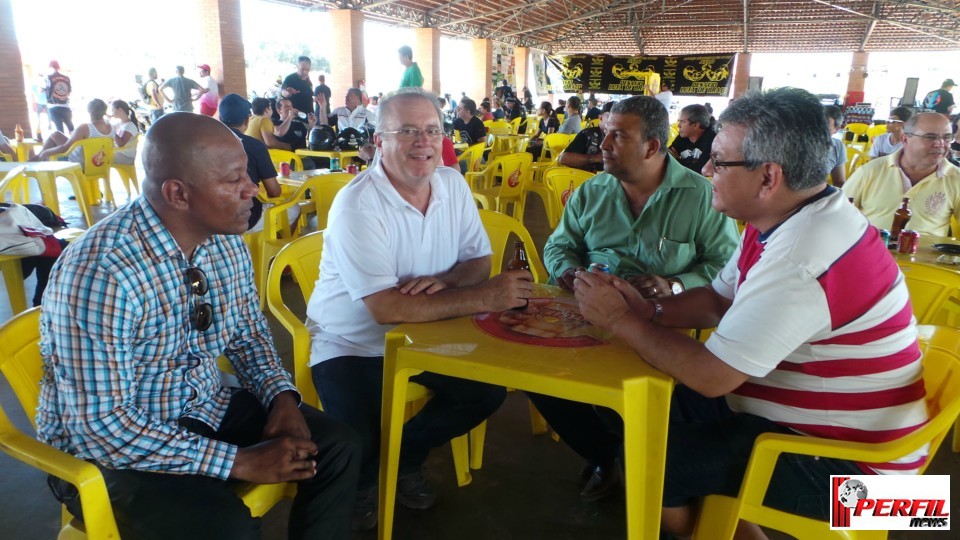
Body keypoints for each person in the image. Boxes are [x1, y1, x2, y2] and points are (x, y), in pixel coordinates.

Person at [571, 87, 927, 538]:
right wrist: (649, 308)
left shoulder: (800, 256)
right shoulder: (792, 216)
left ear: (768, 177)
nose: (704, 169)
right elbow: (718, 300)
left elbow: (712, 376)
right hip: (800, 425)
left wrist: (622, 320)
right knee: (636, 403)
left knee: (657, 459)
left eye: (719, 161)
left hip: (870, 485)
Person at [37, 112, 361, 540]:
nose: (252, 190)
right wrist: (238, 461)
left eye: (247, 173)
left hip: (200, 405)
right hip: (107, 451)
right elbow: (101, 428)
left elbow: (247, 335)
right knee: (225, 528)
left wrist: (282, 399)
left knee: (337, 447)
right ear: (178, 194)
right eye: (233, 181)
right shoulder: (101, 273)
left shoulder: (226, 242)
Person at [307, 88, 531, 530]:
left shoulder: (451, 183)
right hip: (351, 342)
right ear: (379, 140)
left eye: (432, 130)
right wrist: (484, 297)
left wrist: (447, 282)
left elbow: (478, 260)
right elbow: (385, 308)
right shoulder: (358, 204)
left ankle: (401, 459)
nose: (423, 142)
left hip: (427, 334)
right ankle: (368, 479)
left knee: (485, 392)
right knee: (359, 431)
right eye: (407, 131)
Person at [530, 95, 738, 502]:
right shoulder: (592, 193)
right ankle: (607, 455)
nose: (602, 146)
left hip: (663, 327)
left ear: (652, 147)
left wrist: (674, 285)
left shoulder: (700, 196)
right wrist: (570, 273)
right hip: (587, 321)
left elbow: (725, 267)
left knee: (640, 392)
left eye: (617, 136)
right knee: (537, 376)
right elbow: (558, 247)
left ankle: (646, 464)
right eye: (605, 134)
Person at [845, 112, 960, 235]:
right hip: (874, 250)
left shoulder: (955, 178)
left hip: (927, 253)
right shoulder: (870, 171)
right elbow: (838, 215)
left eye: (947, 137)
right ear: (905, 139)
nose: (940, 144)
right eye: (930, 137)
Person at [217, 93, 300, 232]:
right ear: (247, 120)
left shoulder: (205, 144)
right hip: (246, 218)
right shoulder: (254, 146)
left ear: (220, 119)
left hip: (210, 218)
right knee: (294, 209)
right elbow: (274, 191)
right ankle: (277, 252)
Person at [34, 99, 114, 165]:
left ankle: (36, 160)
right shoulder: (111, 127)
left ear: (90, 112)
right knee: (56, 135)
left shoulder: (85, 128)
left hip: (78, 163)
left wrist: (45, 152)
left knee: (51, 144)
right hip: (99, 164)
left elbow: (65, 148)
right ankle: (36, 159)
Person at [557, 101, 614, 173]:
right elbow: (564, 159)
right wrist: (595, 158)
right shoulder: (587, 134)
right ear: (600, 117)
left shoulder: (621, 138)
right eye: (609, 116)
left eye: (618, 118)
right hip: (587, 180)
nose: (614, 121)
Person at [669, 104, 716, 174]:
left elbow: (699, 171)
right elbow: (665, 157)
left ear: (696, 125)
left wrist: (677, 160)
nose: (678, 125)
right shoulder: (683, 136)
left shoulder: (712, 139)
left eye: (683, 122)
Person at [44, 60, 73, 134]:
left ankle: (63, 144)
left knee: (60, 130)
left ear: (50, 67)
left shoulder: (48, 78)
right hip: (65, 106)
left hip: (53, 106)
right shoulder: (66, 78)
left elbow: (41, 90)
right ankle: (76, 143)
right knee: (71, 128)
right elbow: (69, 91)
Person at [109, 100, 141, 165]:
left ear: (120, 110)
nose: (111, 113)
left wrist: (112, 130)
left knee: (101, 159)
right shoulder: (119, 124)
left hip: (126, 156)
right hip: (119, 152)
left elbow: (121, 144)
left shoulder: (130, 125)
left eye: (112, 110)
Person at [823, 105, 847, 187]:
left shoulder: (837, 146)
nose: (817, 132)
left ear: (836, 130)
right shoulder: (797, 144)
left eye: (825, 129)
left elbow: (839, 182)